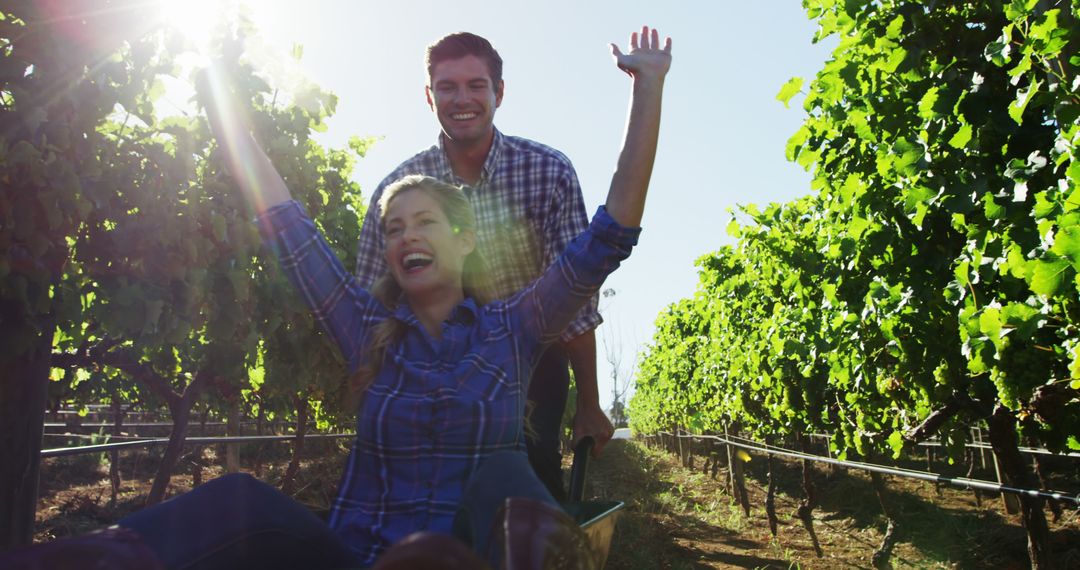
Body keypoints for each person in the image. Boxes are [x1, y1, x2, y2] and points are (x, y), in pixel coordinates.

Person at [0, 26, 672, 570]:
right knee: (239, 499)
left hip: (465, 548)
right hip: (354, 556)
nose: (406, 233)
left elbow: (611, 233)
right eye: (394, 226)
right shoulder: (363, 326)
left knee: (508, 478)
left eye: (425, 222)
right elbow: (283, 218)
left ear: (467, 241)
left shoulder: (515, 328)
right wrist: (217, 99)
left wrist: (648, 88)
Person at [353, 31, 612, 500]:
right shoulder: (398, 189)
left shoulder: (547, 171)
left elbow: (574, 301)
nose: (462, 99)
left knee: (528, 484)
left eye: (476, 85)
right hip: (428, 361)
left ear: (499, 92)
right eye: (447, 87)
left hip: (530, 361)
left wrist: (589, 403)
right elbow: (370, 305)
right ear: (429, 96)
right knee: (435, 493)